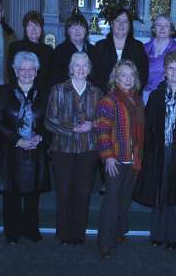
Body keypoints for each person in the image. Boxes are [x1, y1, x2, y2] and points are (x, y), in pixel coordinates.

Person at [133, 51, 176, 251]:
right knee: (160, 192)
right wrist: (147, 149)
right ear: (164, 71)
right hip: (160, 151)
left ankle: (175, 236)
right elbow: (147, 126)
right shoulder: (156, 95)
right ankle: (157, 234)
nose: (174, 72)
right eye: (170, 68)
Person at [0, 51, 51, 244]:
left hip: (36, 150)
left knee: (33, 195)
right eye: (22, 69)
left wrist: (41, 137)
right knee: (12, 194)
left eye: (30, 69)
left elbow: (51, 121)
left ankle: (31, 229)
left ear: (36, 71)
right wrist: (17, 139)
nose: (26, 72)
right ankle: (12, 231)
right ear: (15, 71)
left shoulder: (45, 93)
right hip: (11, 149)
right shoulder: (3, 92)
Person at [45, 52, 103, 245]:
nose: (80, 69)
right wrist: (72, 129)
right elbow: (49, 121)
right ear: (70, 68)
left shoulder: (97, 92)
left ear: (89, 69)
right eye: (76, 65)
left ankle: (79, 234)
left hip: (88, 148)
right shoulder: (58, 89)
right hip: (63, 148)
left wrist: (91, 125)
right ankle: (64, 233)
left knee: (83, 191)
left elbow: (103, 121)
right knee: (64, 191)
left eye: (84, 65)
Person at [96, 59, 145, 259]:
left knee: (124, 200)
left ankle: (117, 233)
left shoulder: (138, 99)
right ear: (115, 78)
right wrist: (107, 158)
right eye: (123, 75)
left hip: (133, 159)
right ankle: (104, 243)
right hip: (115, 159)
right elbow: (102, 131)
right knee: (112, 201)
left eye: (131, 75)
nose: (127, 79)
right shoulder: (109, 100)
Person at [91, 8, 149, 93]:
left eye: (125, 22)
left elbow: (143, 75)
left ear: (129, 26)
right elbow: (94, 74)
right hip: (104, 95)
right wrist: (110, 92)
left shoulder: (138, 47)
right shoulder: (100, 46)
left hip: (131, 96)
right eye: (117, 20)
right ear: (111, 24)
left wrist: (130, 92)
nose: (121, 25)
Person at [142, 14, 176, 103]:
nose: (162, 29)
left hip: (169, 94)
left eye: (166, 26)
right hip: (145, 94)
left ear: (171, 29)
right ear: (154, 28)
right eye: (159, 25)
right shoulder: (144, 48)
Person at [7, 11, 53, 91]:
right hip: (18, 91)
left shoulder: (48, 50)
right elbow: (11, 74)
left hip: (41, 93)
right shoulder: (15, 47)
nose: (34, 29)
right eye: (30, 25)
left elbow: (50, 77)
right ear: (25, 29)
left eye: (37, 26)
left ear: (41, 29)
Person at [48, 13, 94, 88]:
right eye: (73, 27)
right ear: (68, 31)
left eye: (81, 27)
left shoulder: (94, 51)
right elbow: (54, 78)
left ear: (86, 31)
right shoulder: (59, 51)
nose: (77, 31)